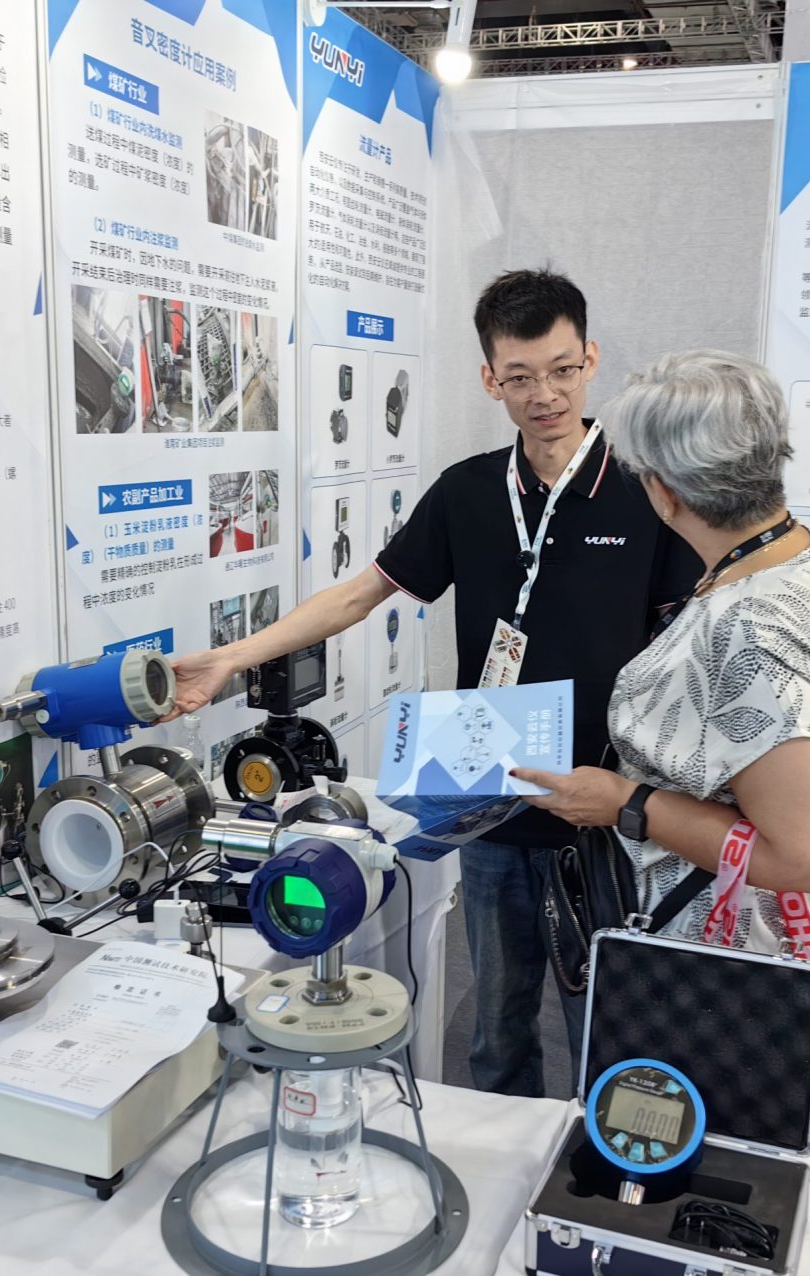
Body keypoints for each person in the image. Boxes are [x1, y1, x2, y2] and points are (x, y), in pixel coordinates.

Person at [167, 270, 702, 1095]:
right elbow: (359, 593)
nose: (544, 395)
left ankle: (594, 1164)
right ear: (490, 379)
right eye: (519, 377)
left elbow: (689, 640)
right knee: (497, 1026)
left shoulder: (645, 488)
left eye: (562, 370)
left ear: (591, 360)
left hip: (608, 808)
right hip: (489, 801)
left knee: (609, 1029)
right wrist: (234, 657)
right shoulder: (467, 492)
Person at [512, 350, 810, 989]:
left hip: (731, 965)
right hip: (794, 937)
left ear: (662, 491)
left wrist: (626, 803)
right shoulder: (802, 552)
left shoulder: (749, 629)